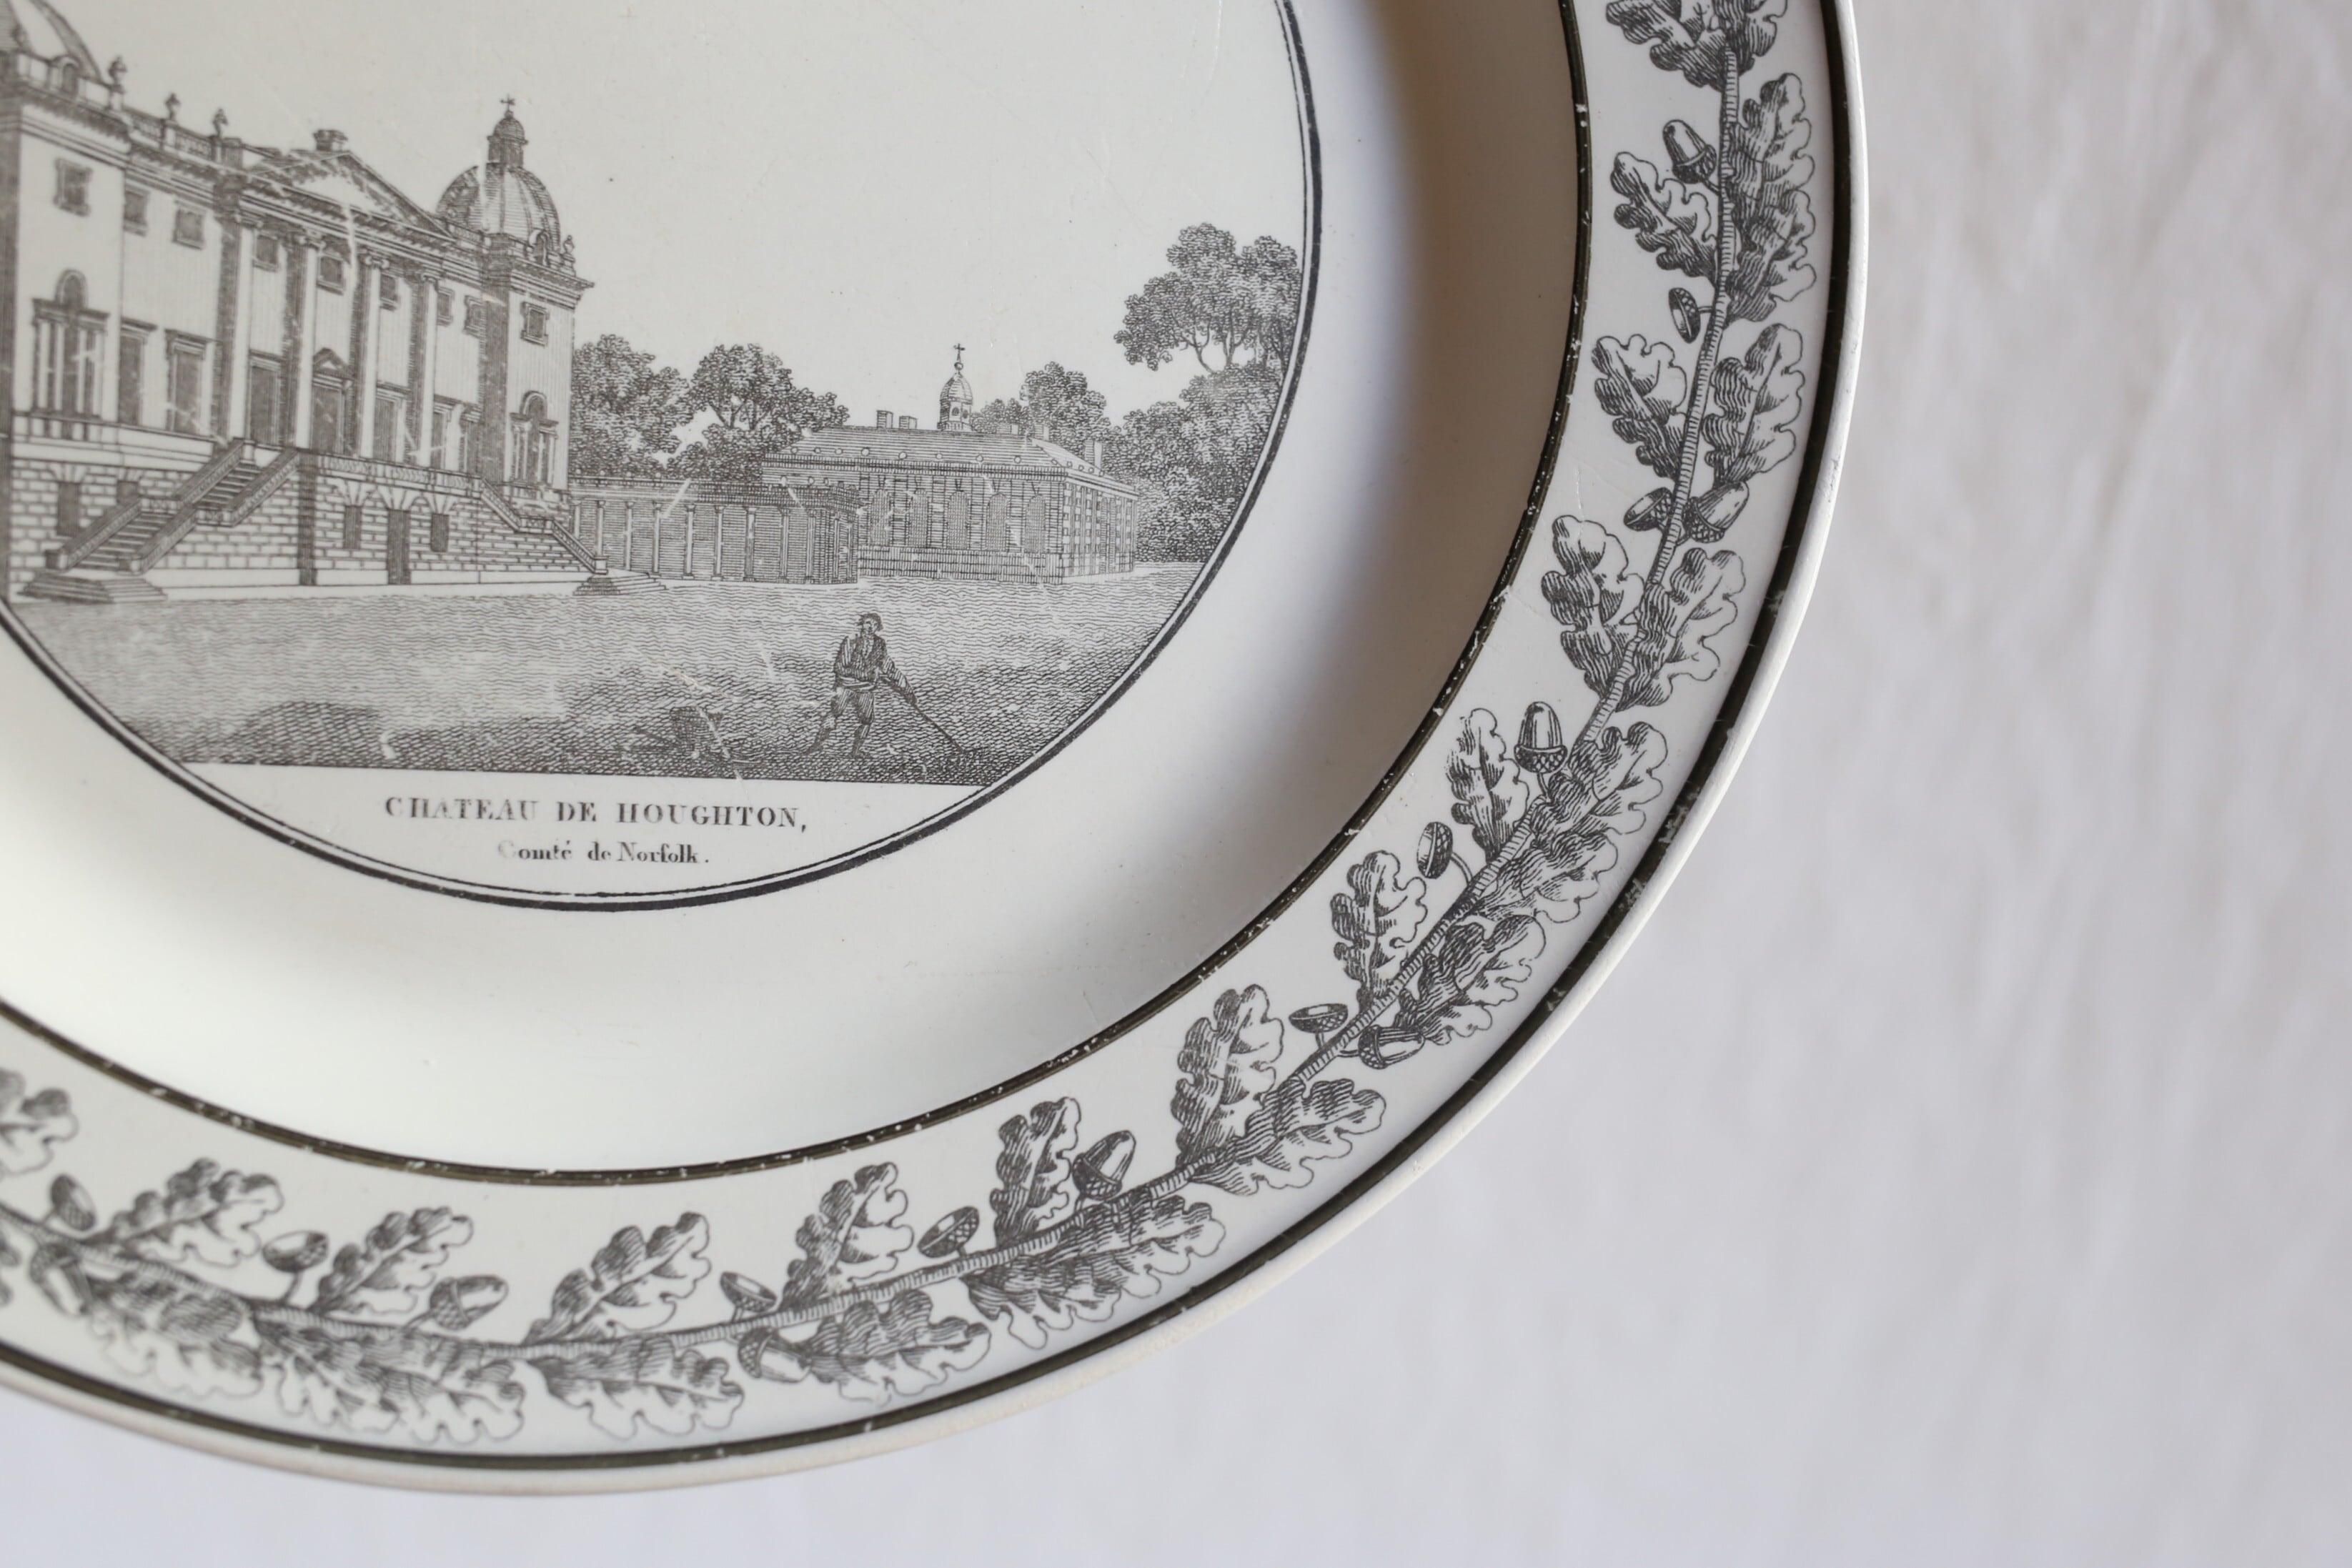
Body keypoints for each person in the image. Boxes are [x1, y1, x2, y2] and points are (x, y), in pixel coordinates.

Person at [814, 611, 903, 758]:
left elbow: (886, 665)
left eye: (875, 625)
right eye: (868, 623)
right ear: (862, 624)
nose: (871, 627)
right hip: (846, 685)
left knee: (867, 720)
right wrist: (865, 675)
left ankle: (855, 752)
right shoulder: (851, 640)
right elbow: (840, 667)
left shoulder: (880, 643)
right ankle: (817, 746)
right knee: (835, 713)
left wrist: (901, 685)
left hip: (866, 689)